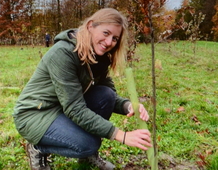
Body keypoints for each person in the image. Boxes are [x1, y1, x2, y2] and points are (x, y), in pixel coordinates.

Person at [13, 8, 152, 170]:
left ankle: (87, 157)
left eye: (115, 38)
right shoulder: (63, 53)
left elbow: (109, 96)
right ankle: (38, 148)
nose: (109, 42)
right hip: (35, 114)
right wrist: (121, 135)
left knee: (105, 95)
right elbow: (74, 108)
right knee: (88, 144)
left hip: (61, 108)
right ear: (90, 26)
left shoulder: (98, 57)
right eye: (105, 33)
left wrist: (128, 105)